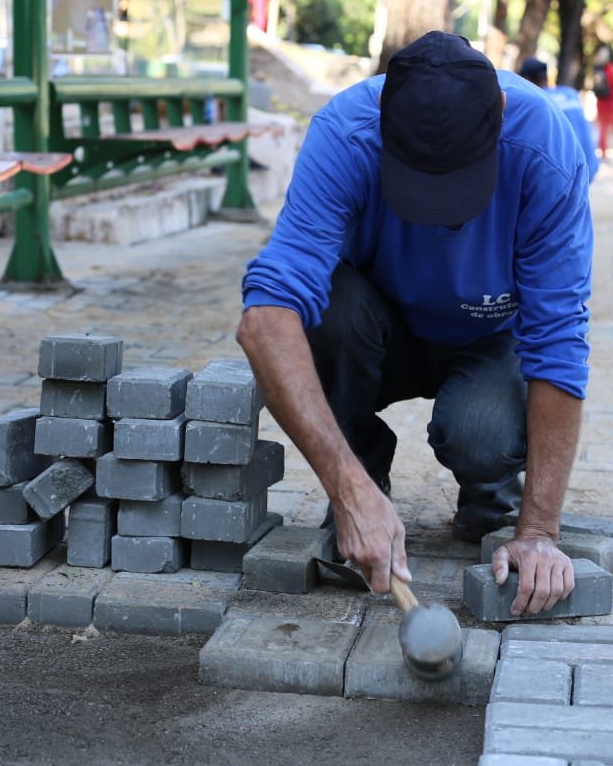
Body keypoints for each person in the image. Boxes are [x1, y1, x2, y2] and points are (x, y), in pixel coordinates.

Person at [237, 32, 593, 616]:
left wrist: (539, 532)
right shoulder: (346, 132)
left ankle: (490, 495)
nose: (444, 212)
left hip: (487, 332)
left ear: (499, 113)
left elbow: (559, 342)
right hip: (378, 326)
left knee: (481, 434)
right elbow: (263, 319)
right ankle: (361, 492)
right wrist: (347, 487)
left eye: (457, 184)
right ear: (383, 117)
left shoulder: (544, 148)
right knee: (322, 307)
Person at [519, 57, 599, 183]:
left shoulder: (534, 100)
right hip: (590, 165)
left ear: (526, 80)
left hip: (565, 175)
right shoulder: (570, 93)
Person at [589, 44, 613, 160]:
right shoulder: (612, 68)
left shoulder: (597, 68)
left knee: (603, 129)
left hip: (601, 103)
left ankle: (603, 154)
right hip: (612, 104)